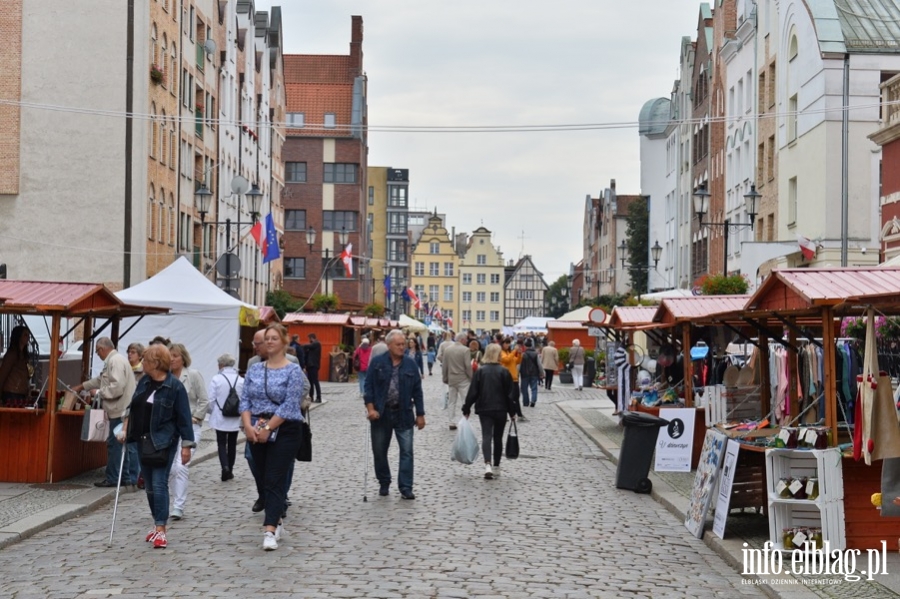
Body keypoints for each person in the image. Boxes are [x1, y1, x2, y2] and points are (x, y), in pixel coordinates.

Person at [119, 344, 195, 549]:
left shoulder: (175, 387)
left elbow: (184, 418)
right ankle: (156, 523)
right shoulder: (144, 382)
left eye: (146, 360)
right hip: (143, 439)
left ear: (156, 363)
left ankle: (161, 529)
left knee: (160, 483)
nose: (142, 363)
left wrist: (186, 445)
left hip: (164, 441)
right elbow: (133, 407)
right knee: (150, 486)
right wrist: (125, 428)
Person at [241, 323, 306, 551]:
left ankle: (268, 529)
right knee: (262, 476)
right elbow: (245, 399)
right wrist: (248, 425)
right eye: (266, 338)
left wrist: (269, 426)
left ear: (284, 342)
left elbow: (290, 404)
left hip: (285, 429)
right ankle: (276, 519)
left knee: (275, 477)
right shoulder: (255, 369)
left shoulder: (293, 370)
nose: (269, 342)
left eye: (274, 338)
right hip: (257, 427)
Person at [364, 329, 426, 499]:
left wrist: (420, 414)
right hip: (381, 413)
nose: (402, 347)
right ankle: (384, 481)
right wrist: (370, 409)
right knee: (379, 450)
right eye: (398, 344)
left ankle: (406, 487)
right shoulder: (377, 363)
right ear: (389, 345)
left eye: (403, 344)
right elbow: (368, 387)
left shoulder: (410, 364)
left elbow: (417, 391)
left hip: (404, 413)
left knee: (407, 451)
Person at [73, 337, 139, 488]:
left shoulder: (114, 361)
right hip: (121, 409)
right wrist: (83, 386)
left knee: (115, 445)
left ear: (102, 349)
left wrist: (98, 393)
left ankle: (114, 478)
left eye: (97, 352)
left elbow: (116, 387)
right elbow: (100, 379)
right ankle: (125, 477)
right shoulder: (114, 360)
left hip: (119, 410)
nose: (98, 354)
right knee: (121, 445)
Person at [167, 343, 209, 520]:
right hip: (170, 427)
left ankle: (178, 506)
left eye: (175, 355)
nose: (172, 359)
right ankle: (170, 501)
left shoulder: (192, 375)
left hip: (190, 427)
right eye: (169, 355)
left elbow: (204, 400)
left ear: (183, 357)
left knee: (181, 465)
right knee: (169, 468)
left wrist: (196, 417)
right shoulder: (166, 377)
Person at [463, 343, 517, 479]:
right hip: (501, 408)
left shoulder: (481, 371)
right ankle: (496, 465)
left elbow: (473, 391)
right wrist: (512, 411)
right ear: (498, 354)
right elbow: (510, 394)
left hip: (485, 408)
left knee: (486, 436)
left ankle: (487, 464)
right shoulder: (504, 372)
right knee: (497, 437)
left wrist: (467, 407)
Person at [207, 353, 243, 481]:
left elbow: (211, 399)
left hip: (220, 415)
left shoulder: (216, 379)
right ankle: (231, 469)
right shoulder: (240, 380)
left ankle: (225, 467)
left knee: (221, 443)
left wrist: (211, 412)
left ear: (221, 364)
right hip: (235, 416)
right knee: (232, 444)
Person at [442, 332, 473, 430]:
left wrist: (445, 378)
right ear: (462, 340)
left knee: (452, 401)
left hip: (452, 379)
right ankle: (465, 420)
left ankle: (451, 421)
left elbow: (444, 366)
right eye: (466, 339)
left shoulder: (447, 350)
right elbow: (468, 366)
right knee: (465, 401)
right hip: (463, 379)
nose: (467, 341)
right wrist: (471, 377)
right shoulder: (465, 350)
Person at [0, 325, 32, 406]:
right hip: (11, 393)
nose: (28, 338)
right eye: (25, 335)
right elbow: (3, 374)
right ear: (18, 336)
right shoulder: (11, 354)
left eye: (28, 335)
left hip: (21, 392)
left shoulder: (24, 356)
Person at [499, 337, 526, 421]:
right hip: (507, 378)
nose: (507, 345)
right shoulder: (501, 353)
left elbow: (516, 361)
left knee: (516, 397)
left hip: (514, 378)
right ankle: (513, 414)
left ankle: (518, 414)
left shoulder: (509, 352)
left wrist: (519, 354)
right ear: (502, 344)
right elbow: (506, 360)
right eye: (505, 343)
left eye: (508, 343)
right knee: (509, 397)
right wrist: (514, 351)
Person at [519, 338, 543, 408]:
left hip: (524, 373)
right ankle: (533, 401)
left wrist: (518, 373)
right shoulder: (536, 354)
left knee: (524, 388)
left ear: (525, 346)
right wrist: (542, 372)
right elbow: (539, 364)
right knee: (534, 388)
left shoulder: (523, 355)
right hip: (534, 373)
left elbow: (519, 365)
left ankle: (526, 402)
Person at [304, 333, 322, 403]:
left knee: (315, 381)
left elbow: (308, 346)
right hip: (310, 365)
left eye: (309, 338)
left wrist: (302, 346)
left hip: (314, 365)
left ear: (311, 338)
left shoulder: (317, 344)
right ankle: (311, 396)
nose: (309, 340)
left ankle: (318, 397)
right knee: (310, 382)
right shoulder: (312, 346)